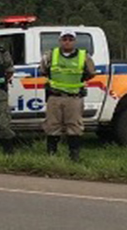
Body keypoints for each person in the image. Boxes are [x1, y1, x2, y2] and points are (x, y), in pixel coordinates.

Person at [40, 28, 97, 162]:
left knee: (74, 126)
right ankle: (51, 155)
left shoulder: (84, 56)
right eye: (64, 39)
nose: (67, 42)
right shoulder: (50, 55)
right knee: (52, 126)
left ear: (74, 41)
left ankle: (74, 156)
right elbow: (43, 70)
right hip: (54, 97)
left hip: (74, 97)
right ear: (60, 41)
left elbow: (91, 73)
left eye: (70, 39)